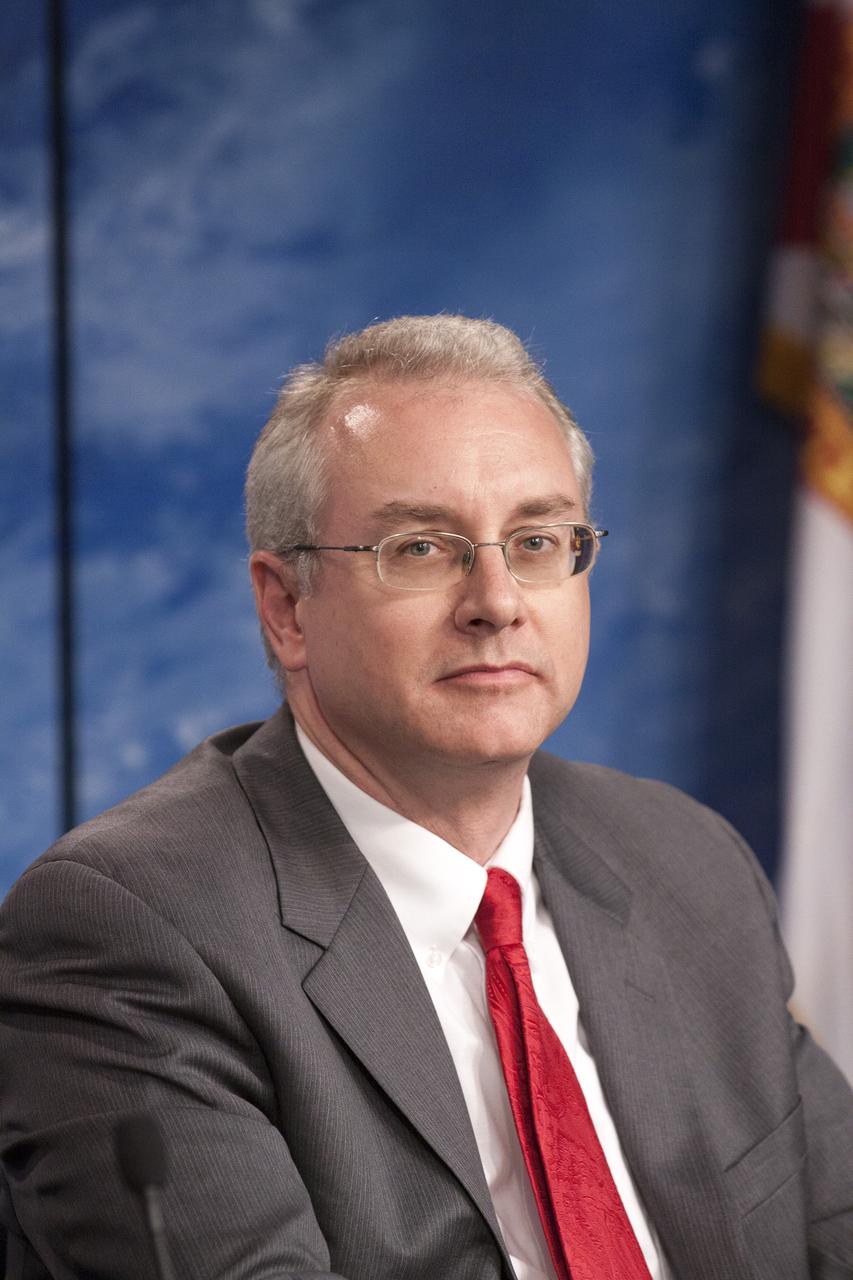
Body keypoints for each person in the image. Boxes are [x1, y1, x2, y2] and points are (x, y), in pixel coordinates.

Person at [1, 314, 851, 1280]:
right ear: (287, 608)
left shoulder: (680, 859)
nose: (496, 599)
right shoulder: (131, 930)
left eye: (537, 540)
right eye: (420, 549)